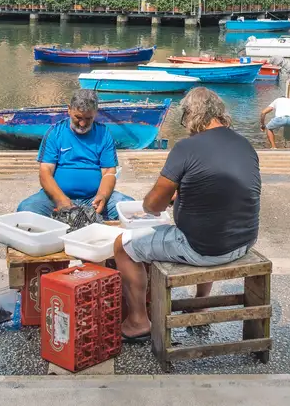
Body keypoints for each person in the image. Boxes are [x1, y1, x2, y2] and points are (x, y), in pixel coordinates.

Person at [112, 87, 261, 341]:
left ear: (191, 116)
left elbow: (153, 206)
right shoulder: (244, 144)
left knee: (122, 247)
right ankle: (201, 303)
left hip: (202, 249)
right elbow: (224, 194)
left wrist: (157, 202)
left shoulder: (186, 147)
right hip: (244, 242)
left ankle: (138, 322)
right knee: (210, 223)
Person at [17, 89, 132, 220]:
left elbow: (109, 172)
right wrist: (60, 200)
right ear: (69, 110)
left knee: (129, 207)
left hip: (92, 199)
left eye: (88, 118)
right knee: (25, 209)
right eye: (78, 117)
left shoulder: (104, 134)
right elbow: (45, 172)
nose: (82, 124)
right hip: (56, 198)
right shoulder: (55, 133)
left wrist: (103, 195)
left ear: (95, 113)